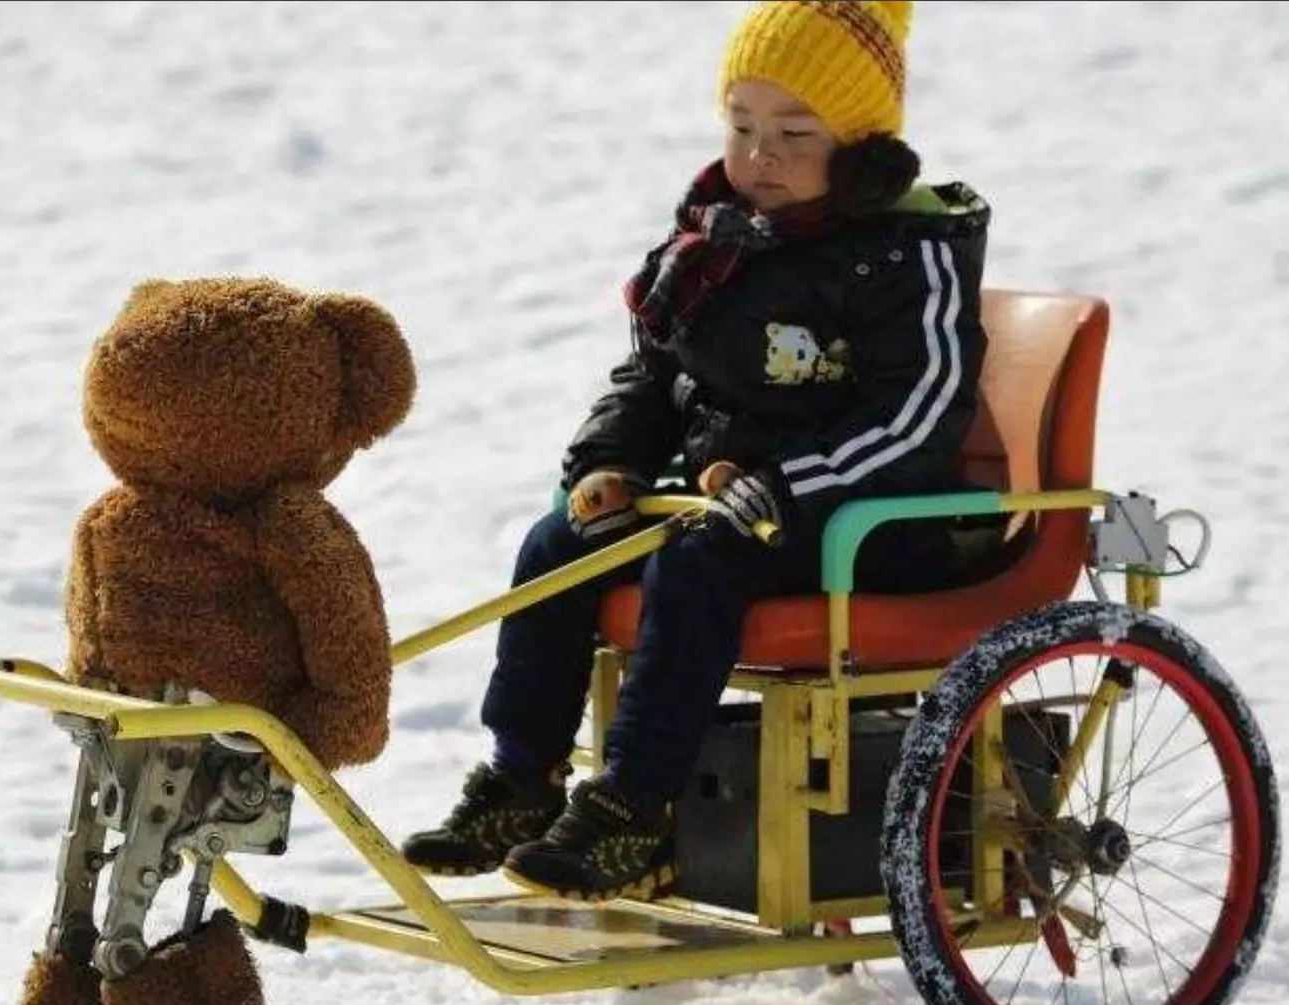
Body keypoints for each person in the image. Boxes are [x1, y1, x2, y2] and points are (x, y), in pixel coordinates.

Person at [402, 0, 994, 901]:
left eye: (796, 131)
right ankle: (520, 778)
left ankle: (634, 807)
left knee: (696, 563)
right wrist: (608, 466)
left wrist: (780, 487)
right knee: (556, 544)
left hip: (867, 525)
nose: (761, 154)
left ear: (863, 148)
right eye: (743, 125)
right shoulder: (714, 244)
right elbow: (651, 376)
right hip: (728, 504)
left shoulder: (908, 256)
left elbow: (915, 419)